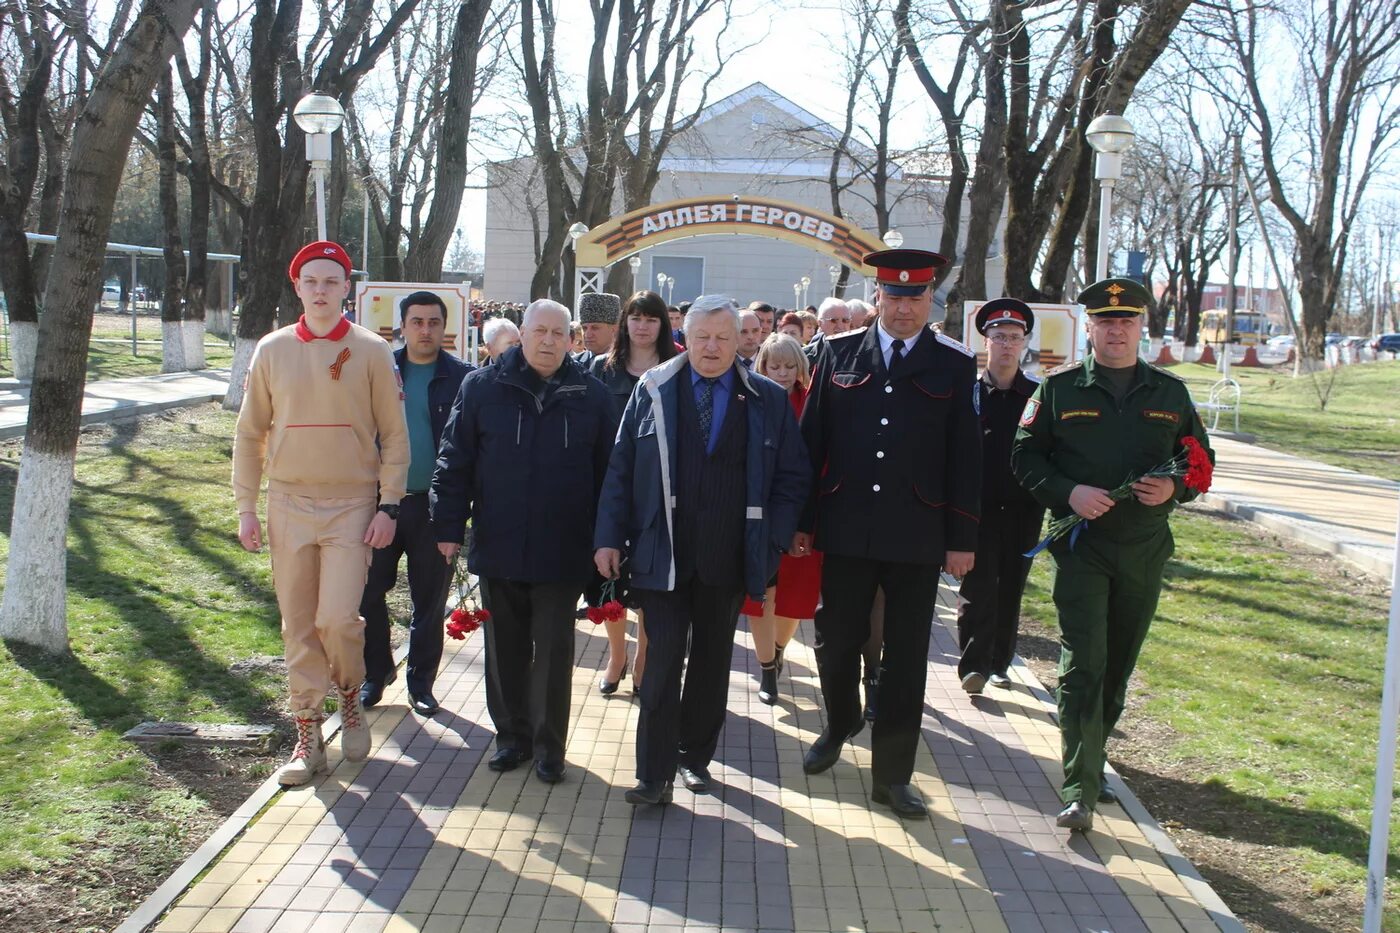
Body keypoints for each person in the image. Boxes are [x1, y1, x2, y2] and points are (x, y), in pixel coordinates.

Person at [1012, 277, 1213, 832]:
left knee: (1118, 665)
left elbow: (1200, 461)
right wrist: (1068, 493)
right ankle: (1079, 785)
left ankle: (1093, 761)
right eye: (1105, 321)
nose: (1116, 330)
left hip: (1145, 548)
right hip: (1083, 548)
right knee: (1084, 662)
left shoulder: (1169, 393)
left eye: (1126, 321)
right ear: (1091, 328)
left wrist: (1177, 489)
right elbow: (1025, 458)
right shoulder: (1060, 390)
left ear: (1141, 326)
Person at [595, 295, 810, 805]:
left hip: (728, 556)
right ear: (684, 338)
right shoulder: (653, 388)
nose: (711, 347)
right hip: (660, 552)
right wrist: (608, 536)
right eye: (701, 337)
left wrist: (773, 539)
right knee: (663, 658)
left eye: (722, 337)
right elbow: (621, 467)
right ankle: (652, 774)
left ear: (741, 342)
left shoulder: (766, 399)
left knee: (713, 665)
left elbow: (792, 478)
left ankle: (695, 759)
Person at [795, 247, 982, 819]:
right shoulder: (837, 352)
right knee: (833, 639)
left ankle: (892, 775)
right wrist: (803, 521)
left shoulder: (953, 363)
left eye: (916, 298)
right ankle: (842, 720)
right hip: (847, 524)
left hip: (918, 533)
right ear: (877, 298)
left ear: (931, 301)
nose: (904, 308)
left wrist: (962, 539)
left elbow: (965, 458)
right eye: (895, 296)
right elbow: (812, 442)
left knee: (904, 657)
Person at [233, 240, 410, 788]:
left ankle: (349, 695)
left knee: (336, 619)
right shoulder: (272, 349)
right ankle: (308, 733)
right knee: (298, 625)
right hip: (288, 500)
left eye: (331, 281)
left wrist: (389, 504)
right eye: (311, 281)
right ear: (297, 287)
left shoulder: (372, 350)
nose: (321, 290)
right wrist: (246, 506)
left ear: (346, 288)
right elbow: (249, 432)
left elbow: (395, 436)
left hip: (351, 504)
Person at [431, 299, 618, 784]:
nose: (549, 341)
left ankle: (548, 746)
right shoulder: (482, 387)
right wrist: (448, 527)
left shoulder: (591, 395)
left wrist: (609, 539)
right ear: (524, 334)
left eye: (560, 333)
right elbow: (454, 461)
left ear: (571, 339)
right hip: (501, 542)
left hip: (564, 549)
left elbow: (610, 477)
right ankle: (510, 738)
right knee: (505, 650)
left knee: (554, 652)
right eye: (541, 331)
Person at [358, 292, 474, 717]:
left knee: (429, 601)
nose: (425, 330)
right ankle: (377, 672)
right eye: (417, 322)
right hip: (378, 503)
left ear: (445, 328)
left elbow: (468, 449)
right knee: (367, 591)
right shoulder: (379, 371)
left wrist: (460, 513)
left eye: (433, 322)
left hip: (434, 508)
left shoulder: (464, 378)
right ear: (401, 327)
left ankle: (420, 684)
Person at [589, 290, 680, 696]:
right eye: (635, 318)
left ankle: (643, 658)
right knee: (606, 579)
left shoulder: (676, 368)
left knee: (647, 580)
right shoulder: (600, 369)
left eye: (651, 319)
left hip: (655, 491)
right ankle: (616, 655)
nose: (642, 327)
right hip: (605, 489)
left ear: (663, 326)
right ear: (624, 323)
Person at [956, 299, 1045, 696]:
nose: (1007, 345)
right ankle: (973, 665)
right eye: (999, 337)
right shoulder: (969, 394)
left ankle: (1000, 664)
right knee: (977, 590)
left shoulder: (1039, 396)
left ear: (1024, 343)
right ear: (985, 342)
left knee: (1010, 587)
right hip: (978, 509)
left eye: (1014, 338)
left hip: (1024, 509)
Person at [740, 334, 821, 705]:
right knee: (762, 594)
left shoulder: (815, 403)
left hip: (805, 515)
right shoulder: (751, 401)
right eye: (775, 366)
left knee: (796, 598)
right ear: (763, 365)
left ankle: (778, 646)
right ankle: (767, 668)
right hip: (763, 514)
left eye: (790, 366)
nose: (783, 373)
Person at [575, 292, 620, 368]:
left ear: (614, 329)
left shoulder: (628, 365)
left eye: (595, 328)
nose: (587, 334)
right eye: (584, 328)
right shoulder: (572, 364)